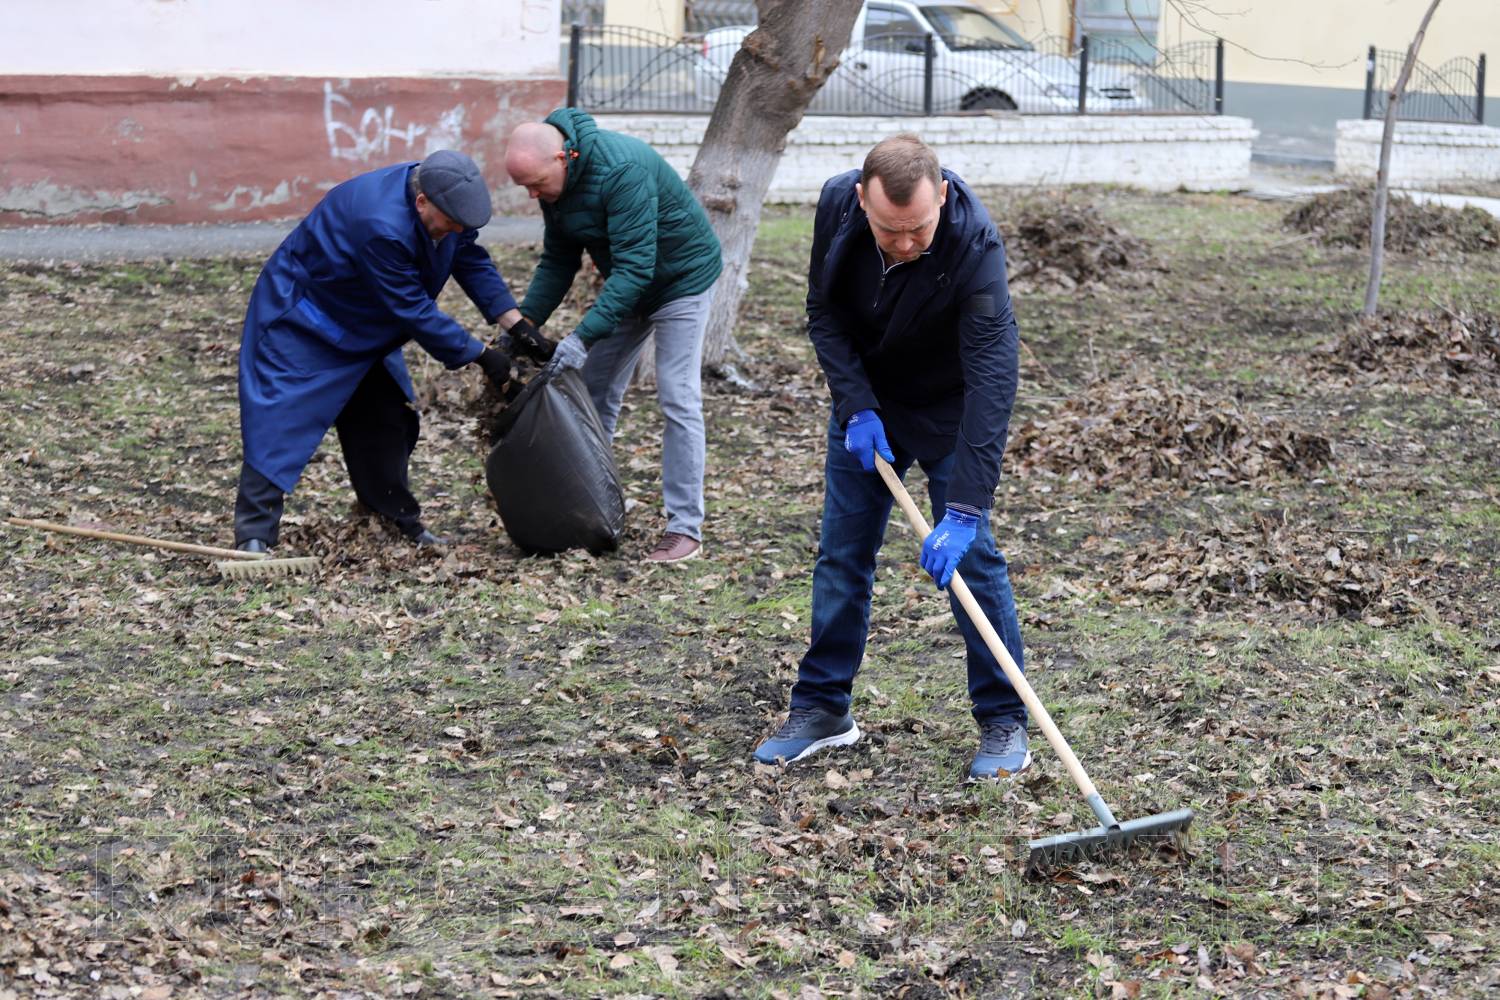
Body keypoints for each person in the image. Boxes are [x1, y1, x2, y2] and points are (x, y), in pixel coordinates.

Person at [753, 134, 1030, 780]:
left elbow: (993, 375)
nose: (905, 244)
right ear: (860, 202)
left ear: (943, 195)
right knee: (842, 553)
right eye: (889, 231)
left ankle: (1003, 717)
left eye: (918, 229)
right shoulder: (833, 207)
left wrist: (965, 506)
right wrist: (854, 404)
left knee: (975, 561)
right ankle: (823, 709)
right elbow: (824, 311)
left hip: (944, 405)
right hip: (869, 403)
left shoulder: (975, 244)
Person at [233, 150, 552, 552]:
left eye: (461, 226)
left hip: (364, 325)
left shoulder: (446, 201)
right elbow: (412, 309)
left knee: (387, 420)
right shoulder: (380, 224)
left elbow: (469, 258)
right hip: (305, 322)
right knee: (278, 423)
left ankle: (394, 520)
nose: (455, 231)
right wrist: (480, 355)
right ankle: (253, 536)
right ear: (422, 202)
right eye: (449, 225)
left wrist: (515, 324)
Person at [504, 109, 722, 563]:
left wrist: (581, 337)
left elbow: (637, 268)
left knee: (676, 395)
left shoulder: (622, 170)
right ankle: (585, 507)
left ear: (564, 157)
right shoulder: (554, 183)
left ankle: (685, 529)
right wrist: (522, 326)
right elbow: (558, 260)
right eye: (525, 188)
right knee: (594, 391)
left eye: (536, 184)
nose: (532, 194)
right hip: (629, 284)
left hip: (681, 280)